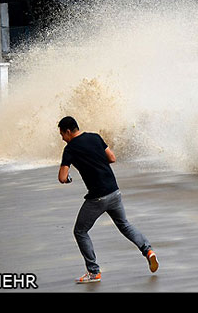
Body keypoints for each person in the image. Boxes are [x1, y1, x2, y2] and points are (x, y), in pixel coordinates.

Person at [57, 116, 159, 283]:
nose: (62, 138)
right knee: (125, 225)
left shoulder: (70, 149)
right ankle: (148, 250)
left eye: (62, 134)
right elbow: (112, 158)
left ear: (68, 131)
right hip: (114, 191)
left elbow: (62, 177)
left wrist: (69, 179)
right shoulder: (95, 137)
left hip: (97, 197)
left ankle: (93, 272)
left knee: (80, 231)